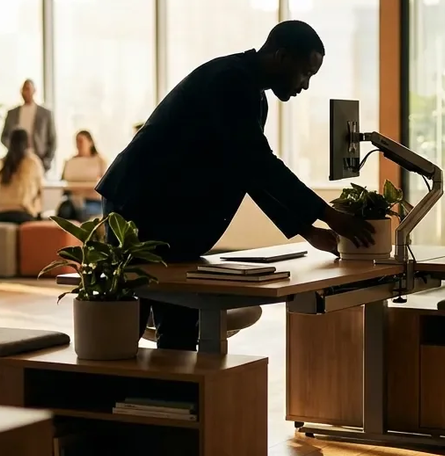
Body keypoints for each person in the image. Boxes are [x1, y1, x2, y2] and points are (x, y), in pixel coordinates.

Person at [97, 20, 374, 351]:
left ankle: (171, 397)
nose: (305, 85)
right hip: (140, 206)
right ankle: (111, 397)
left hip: (168, 212)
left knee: (181, 325)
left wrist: (308, 230)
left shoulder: (254, 95)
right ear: (281, 56)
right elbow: (258, 163)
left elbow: (247, 170)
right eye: (305, 73)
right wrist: (328, 216)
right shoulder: (228, 81)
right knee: (124, 329)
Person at [0, 128, 44, 224]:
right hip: (20, 213)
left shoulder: (2, 162)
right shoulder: (33, 162)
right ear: (28, 143)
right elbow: (39, 191)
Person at [0, 79, 56, 171]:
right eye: (24, 89)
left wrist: (47, 161)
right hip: (16, 162)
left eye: (28, 89)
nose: (26, 92)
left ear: (34, 91)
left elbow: (52, 140)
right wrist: (14, 148)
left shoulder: (46, 114)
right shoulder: (12, 113)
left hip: (39, 160)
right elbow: (4, 136)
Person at [60, 130, 106, 220]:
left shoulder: (99, 161)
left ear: (90, 142)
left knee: (81, 212)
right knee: (65, 211)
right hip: (73, 200)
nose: (78, 144)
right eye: (76, 141)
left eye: (81, 141)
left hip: (93, 201)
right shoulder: (70, 161)